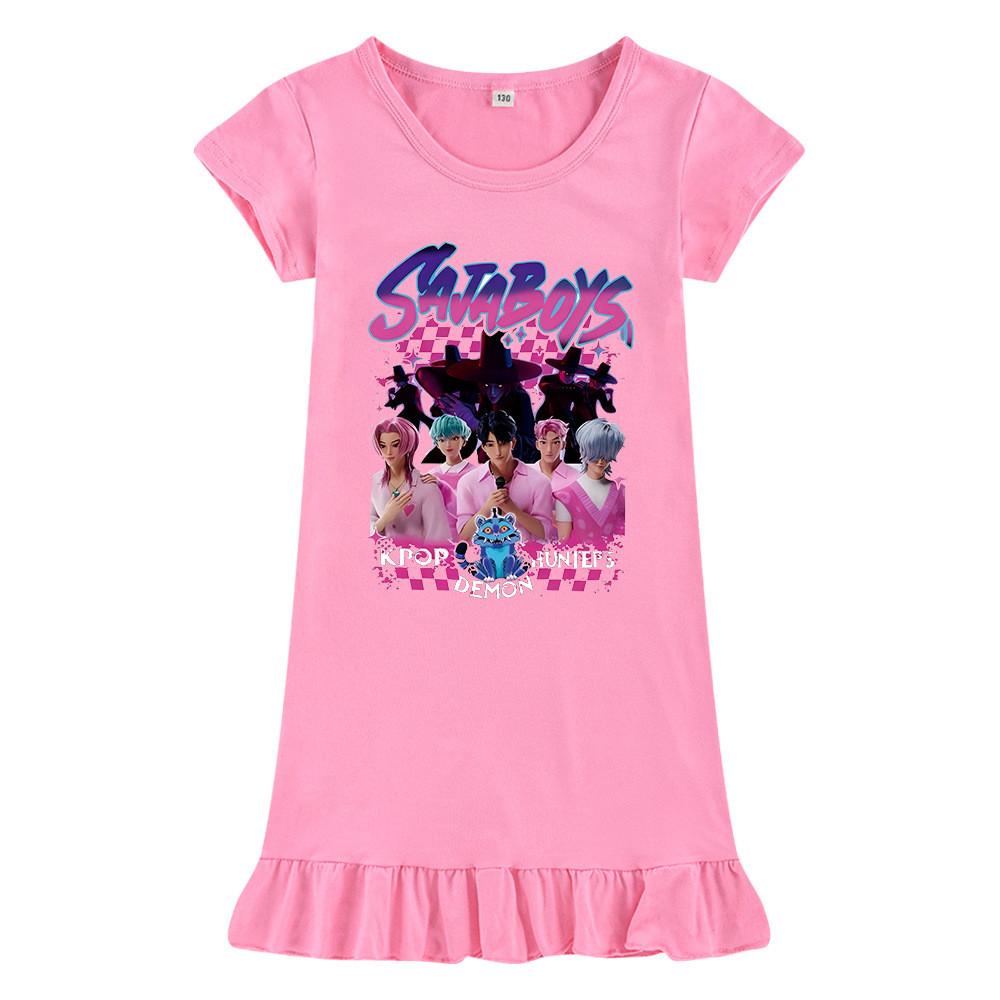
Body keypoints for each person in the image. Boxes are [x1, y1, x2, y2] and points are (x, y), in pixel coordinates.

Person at [455, 411, 553, 542]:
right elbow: (463, 536)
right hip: (483, 553)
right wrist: (486, 508)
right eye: (490, 445)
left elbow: (545, 533)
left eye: (502, 443)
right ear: (483, 447)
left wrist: (513, 511)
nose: (497, 452)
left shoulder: (539, 482)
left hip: (525, 552)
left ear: (513, 442)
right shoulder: (468, 482)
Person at [370, 417, 451, 543]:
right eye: (383, 446)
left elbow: (438, 539)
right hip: (383, 554)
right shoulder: (374, 482)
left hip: (416, 554)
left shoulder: (427, 487)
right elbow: (365, 535)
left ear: (408, 444)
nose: (388, 452)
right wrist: (385, 518)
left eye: (395, 445)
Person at [553, 418, 625, 545]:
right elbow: (563, 547)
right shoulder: (565, 497)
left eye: (606, 455)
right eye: (595, 455)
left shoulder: (622, 493)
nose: (601, 461)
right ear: (584, 451)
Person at [418, 413, 476, 539]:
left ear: (464, 440)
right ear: (437, 443)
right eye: (442, 440)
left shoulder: (475, 474)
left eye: (454, 438)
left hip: (466, 539)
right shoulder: (431, 475)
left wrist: (442, 486)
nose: (448, 445)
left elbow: (472, 513)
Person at [531, 418, 583, 492]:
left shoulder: (576, 477)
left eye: (556, 442)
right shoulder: (527, 475)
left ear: (563, 445)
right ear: (537, 445)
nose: (549, 449)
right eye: (543, 442)